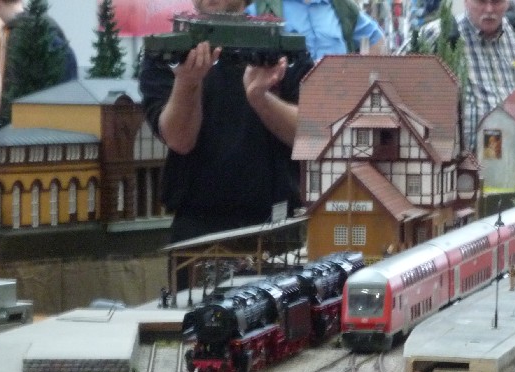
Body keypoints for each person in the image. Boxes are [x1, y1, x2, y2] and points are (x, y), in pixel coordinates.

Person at [139, 0, 315, 249]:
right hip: (199, 222)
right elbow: (179, 139)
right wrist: (187, 83)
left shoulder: (280, 48)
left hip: (275, 223)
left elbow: (309, 136)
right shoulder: (172, 51)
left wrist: (261, 98)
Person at [400, 0, 515, 149]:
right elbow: (393, 82)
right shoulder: (439, 34)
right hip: (461, 158)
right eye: (481, 1)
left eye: (496, 2)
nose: (489, 9)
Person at [0, 0, 78, 127]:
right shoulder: (48, 26)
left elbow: (12, 85)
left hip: (27, 123)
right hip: (60, 117)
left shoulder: (18, 35)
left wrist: (3, 124)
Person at [246, 0, 386, 60]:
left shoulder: (340, 6)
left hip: (338, 102)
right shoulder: (261, 11)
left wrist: (361, 82)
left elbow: (376, 39)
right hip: (287, 105)